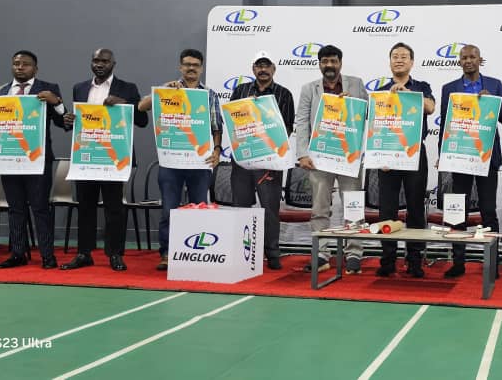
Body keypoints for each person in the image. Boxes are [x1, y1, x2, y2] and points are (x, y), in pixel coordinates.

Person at [0, 50, 70, 269]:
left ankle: (47, 255)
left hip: (37, 160)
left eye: (25, 64)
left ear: (35, 68)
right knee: (15, 208)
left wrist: (56, 103)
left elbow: (64, 122)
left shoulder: (48, 88)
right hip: (9, 157)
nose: (20, 67)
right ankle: (18, 254)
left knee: (40, 207)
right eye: (16, 63)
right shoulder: (0, 92)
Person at [59, 48, 148, 272]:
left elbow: (142, 121)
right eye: (96, 60)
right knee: (85, 207)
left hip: (113, 157)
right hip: (86, 156)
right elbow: (77, 121)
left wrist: (124, 103)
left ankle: (115, 254)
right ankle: (84, 253)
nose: (99, 64)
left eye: (105, 61)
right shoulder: (80, 88)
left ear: (113, 64)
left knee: (114, 208)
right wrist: (69, 120)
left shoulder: (127, 88)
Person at [139, 49, 223, 271]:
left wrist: (216, 150)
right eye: (187, 64)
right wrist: (162, 92)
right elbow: (141, 106)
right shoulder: (168, 90)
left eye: (195, 65)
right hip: (171, 163)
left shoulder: (210, 95)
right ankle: (167, 253)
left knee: (199, 208)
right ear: (180, 67)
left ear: (201, 68)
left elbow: (216, 127)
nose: (191, 68)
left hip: (200, 162)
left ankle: (197, 252)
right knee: (169, 210)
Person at [438, 44, 502, 278]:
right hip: (460, 156)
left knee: (488, 211)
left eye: (472, 57)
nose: (468, 61)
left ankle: (492, 264)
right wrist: (442, 154)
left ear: (480, 60)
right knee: (458, 211)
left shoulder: (495, 85)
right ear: (459, 61)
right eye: (464, 57)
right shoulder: (449, 89)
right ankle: (458, 263)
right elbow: (445, 124)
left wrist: (494, 102)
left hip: (487, 157)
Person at [294, 44, 367, 274]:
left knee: (353, 207)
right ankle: (322, 254)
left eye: (333, 61)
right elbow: (302, 121)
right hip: (320, 157)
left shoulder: (356, 84)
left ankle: (354, 253)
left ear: (340, 63)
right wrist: (302, 153)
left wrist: (352, 106)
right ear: (319, 64)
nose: (329, 65)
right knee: (319, 208)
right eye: (325, 61)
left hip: (349, 157)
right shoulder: (309, 89)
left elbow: (368, 114)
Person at [374, 42, 436, 279]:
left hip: (414, 153)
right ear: (389, 61)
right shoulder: (381, 91)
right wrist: (380, 154)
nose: (399, 60)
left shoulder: (421, 87)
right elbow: (375, 125)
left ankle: (414, 259)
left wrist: (407, 94)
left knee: (415, 207)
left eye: (404, 56)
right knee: (387, 208)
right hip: (388, 155)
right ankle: (388, 259)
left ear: (412, 62)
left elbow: (430, 108)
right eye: (395, 56)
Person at [229, 50, 295, 271]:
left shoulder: (284, 94)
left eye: (267, 66)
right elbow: (232, 121)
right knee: (241, 207)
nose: (263, 69)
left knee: (270, 209)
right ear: (253, 68)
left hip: (270, 160)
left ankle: (272, 253)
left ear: (273, 69)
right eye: (259, 65)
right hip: (243, 159)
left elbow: (287, 128)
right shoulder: (240, 91)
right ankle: (242, 253)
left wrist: (266, 144)